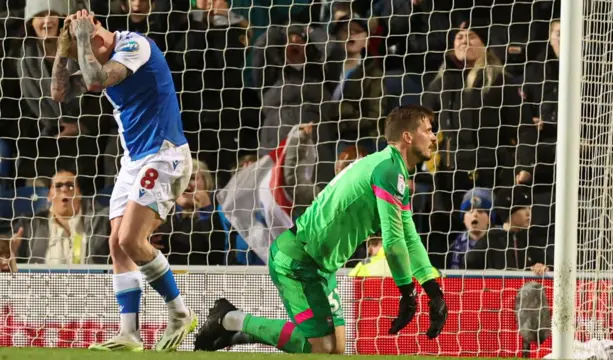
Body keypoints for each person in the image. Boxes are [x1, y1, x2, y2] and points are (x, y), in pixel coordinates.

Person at [193, 105, 448, 354]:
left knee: (336, 348)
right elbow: (393, 242)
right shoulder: (387, 169)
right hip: (297, 260)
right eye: (429, 130)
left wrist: (433, 292)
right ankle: (231, 318)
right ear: (408, 136)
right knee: (321, 348)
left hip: (321, 267)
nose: (434, 137)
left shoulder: (392, 169)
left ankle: (234, 332)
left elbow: (409, 238)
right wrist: (407, 291)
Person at [50, 10, 196, 352]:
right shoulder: (95, 55)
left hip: (165, 153)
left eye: (91, 38)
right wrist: (64, 45)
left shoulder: (134, 44)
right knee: (116, 243)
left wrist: (83, 37)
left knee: (132, 239)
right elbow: (59, 93)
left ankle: (179, 314)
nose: (84, 55)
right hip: (133, 161)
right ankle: (129, 333)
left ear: (99, 35)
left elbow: (98, 78)